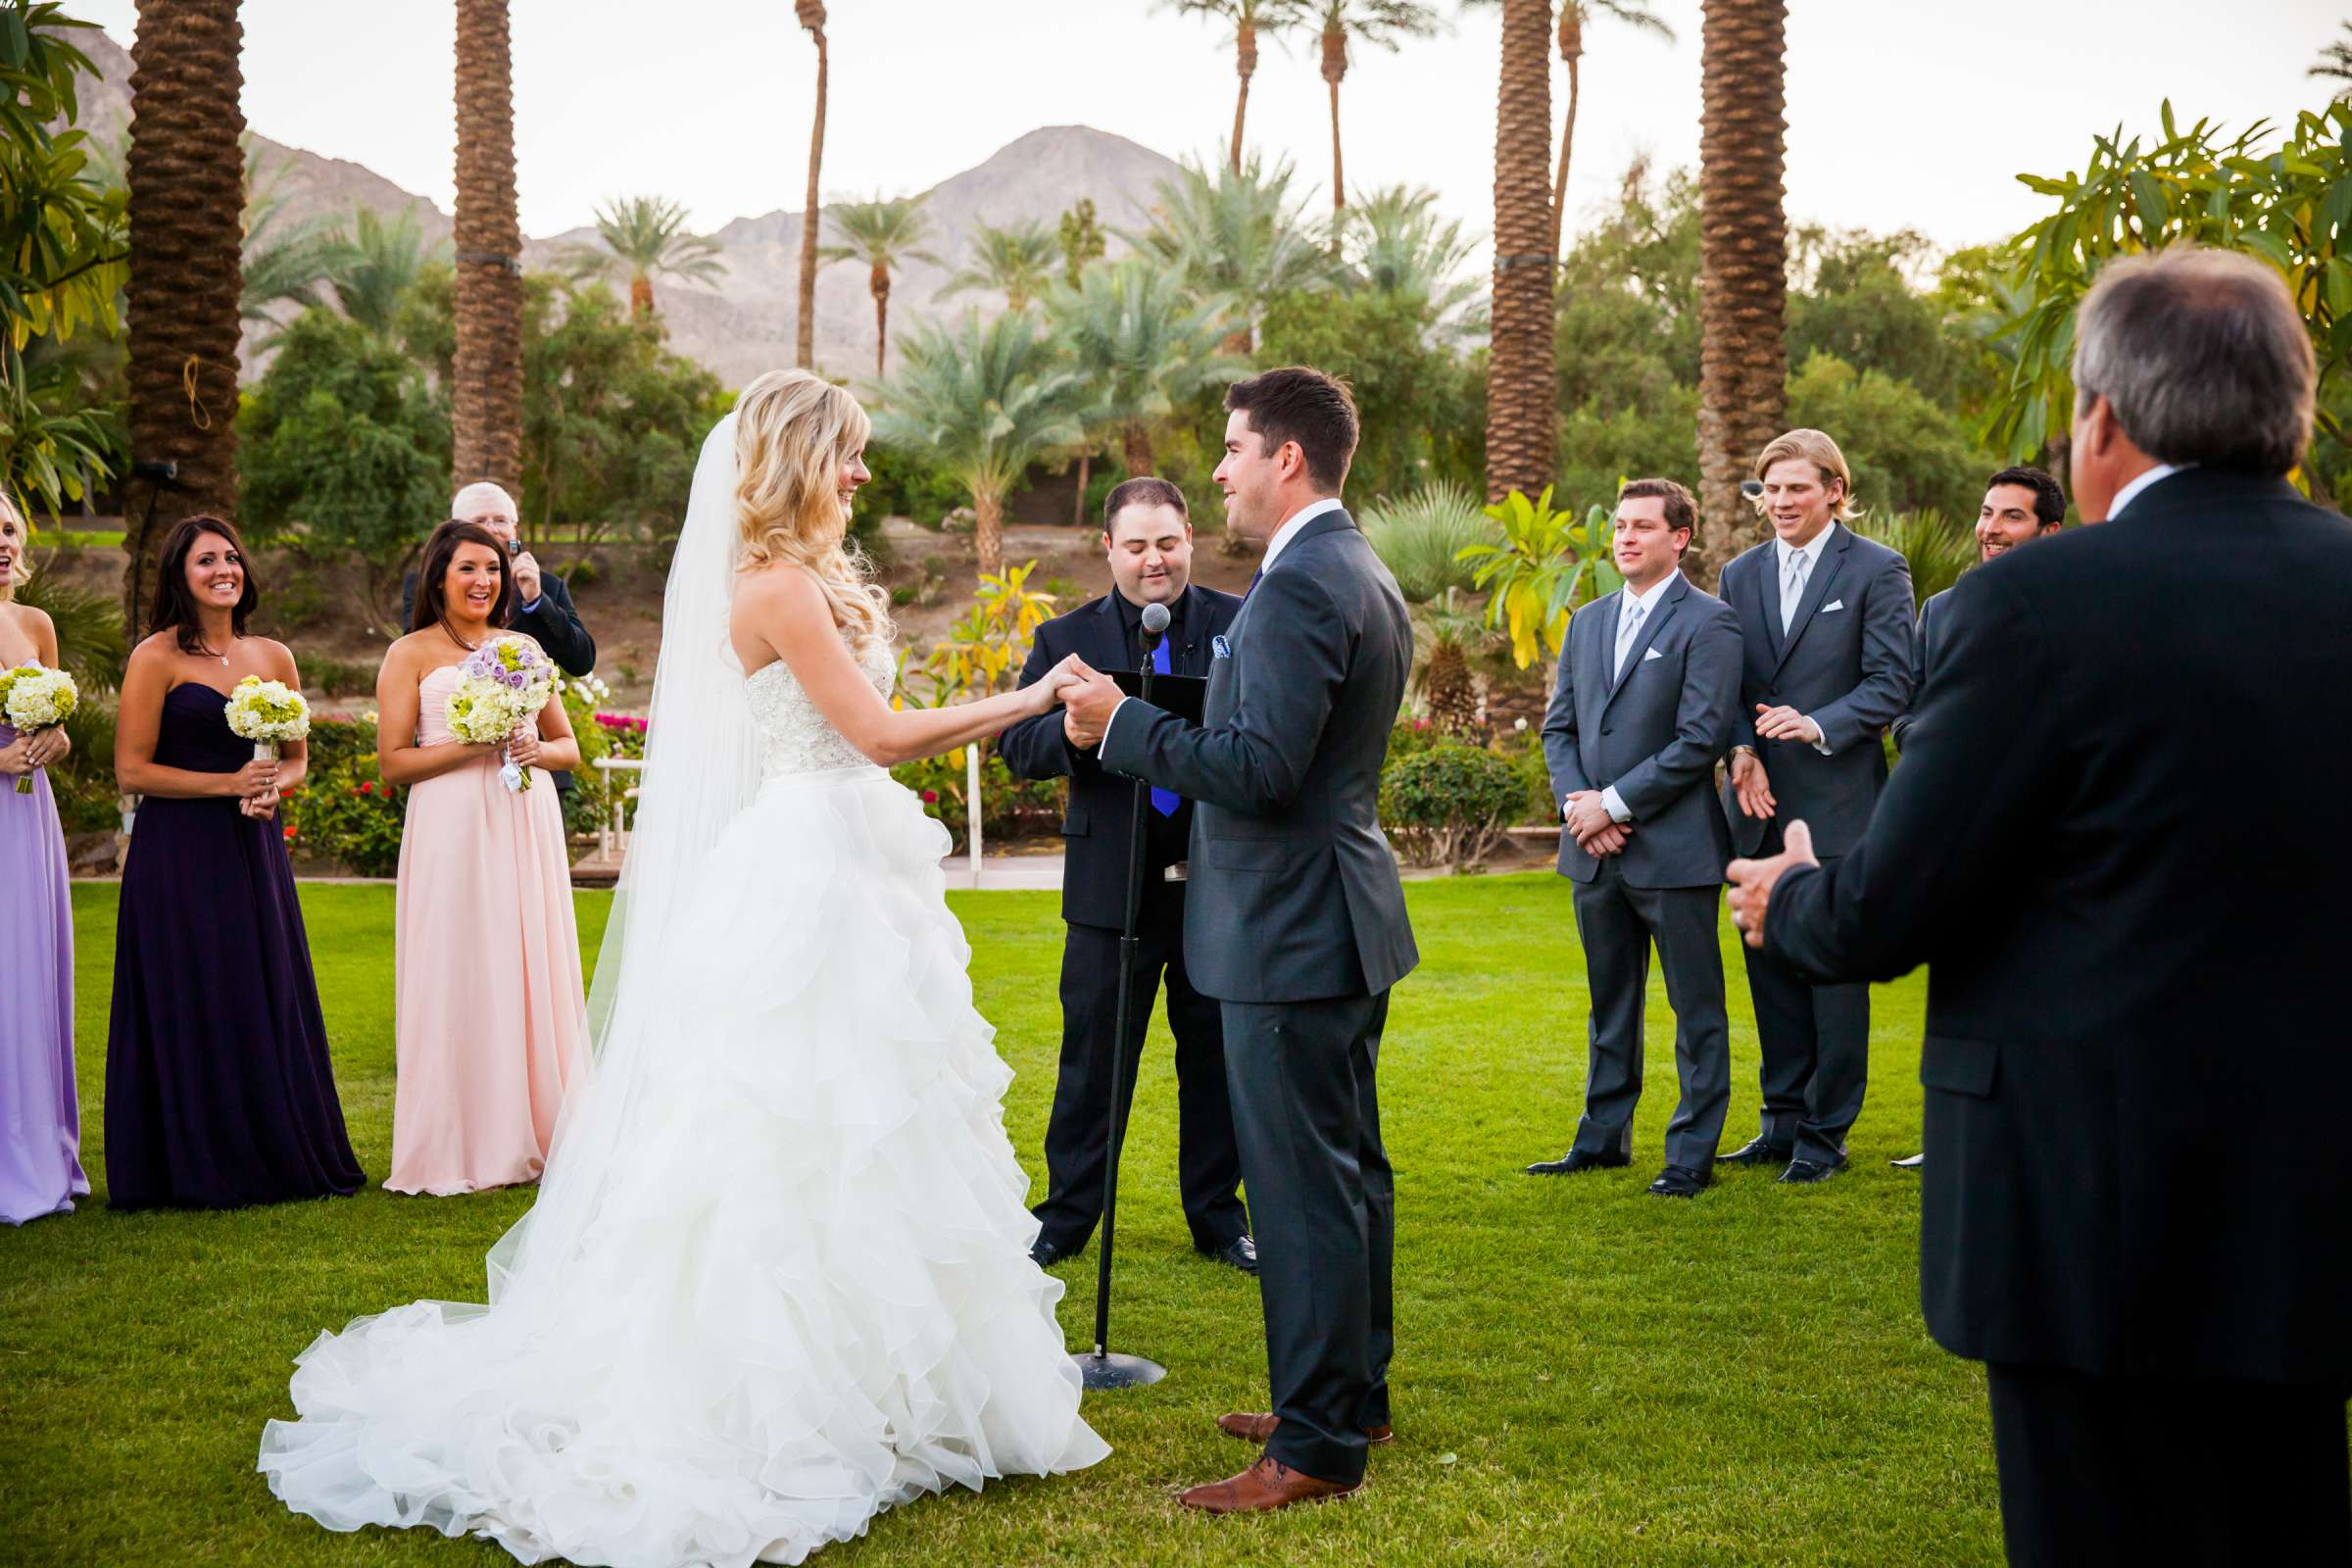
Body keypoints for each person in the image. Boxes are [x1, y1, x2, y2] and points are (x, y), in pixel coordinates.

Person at [261, 370, 1105, 1567]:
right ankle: (780, 1387)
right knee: (788, 1119)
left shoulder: (807, 577)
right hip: (811, 859)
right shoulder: (770, 587)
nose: (863, 473)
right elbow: (873, 734)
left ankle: (899, 1377)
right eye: (849, 454)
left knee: (872, 1113)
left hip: (857, 857)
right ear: (802, 461)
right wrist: (1030, 691)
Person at [1727, 247, 2350, 1567]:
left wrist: (1796, 897)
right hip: (2318, 1193)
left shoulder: (2032, 608)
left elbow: (1895, 901)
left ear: (2104, 423)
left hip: (2087, 1209)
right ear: (2289, 412)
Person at [1063, 367, 1417, 1514]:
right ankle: (1349, 1394)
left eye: (1229, 448)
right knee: (1350, 1173)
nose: (1217, 468)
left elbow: (1260, 770)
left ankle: (1314, 1444)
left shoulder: (1305, 582)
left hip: (1289, 928)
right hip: (1335, 914)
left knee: (1305, 1186)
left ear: (1286, 460)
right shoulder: (1351, 563)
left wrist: (1126, 727)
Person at [998, 477, 1254, 1275]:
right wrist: (1074, 735)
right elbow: (1016, 748)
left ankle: (1217, 1218)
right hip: (1111, 891)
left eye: (1168, 543)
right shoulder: (1064, 639)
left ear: (1191, 541)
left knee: (1213, 1064)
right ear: (1107, 548)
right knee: (1091, 1067)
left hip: (1216, 887)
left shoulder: (1239, 623)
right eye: (1137, 546)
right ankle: (1068, 1217)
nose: (1155, 561)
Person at [106, 516, 365, 1210]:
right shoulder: (154, 658)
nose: (224, 569)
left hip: (253, 852)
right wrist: (229, 786)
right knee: (192, 988)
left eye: (231, 557)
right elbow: (132, 768)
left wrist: (269, 789)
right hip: (177, 856)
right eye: (205, 560)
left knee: (260, 989)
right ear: (178, 576)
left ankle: (274, 1148)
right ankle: (192, 1159)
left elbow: (298, 760)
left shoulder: (274, 656)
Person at [1528, 478, 1741, 1198]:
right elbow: (1559, 727)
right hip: (1593, 852)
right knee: (1609, 1003)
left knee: (1696, 1009)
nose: (1625, 537)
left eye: (1642, 527)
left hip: (1675, 852)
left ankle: (1690, 1154)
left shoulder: (1710, 622)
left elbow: (1700, 737)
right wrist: (1578, 807)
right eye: (1620, 525)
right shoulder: (1586, 621)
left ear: (1679, 537)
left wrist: (1613, 805)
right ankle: (1601, 1139)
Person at [1713, 430, 1914, 1184]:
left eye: (1797, 487)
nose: (1781, 502)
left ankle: (1825, 1136)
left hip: (1838, 805)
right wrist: (1742, 752)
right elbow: (1727, 687)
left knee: (1832, 975)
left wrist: (1818, 722)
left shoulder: (1876, 569)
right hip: (1756, 805)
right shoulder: (1738, 574)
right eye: (1771, 489)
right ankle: (1781, 1121)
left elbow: (1894, 681)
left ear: (1835, 489)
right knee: (1770, 969)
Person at [376, 519, 589, 1196]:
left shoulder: (522, 647)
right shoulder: (408, 653)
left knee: (525, 958)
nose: (483, 582)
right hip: (450, 823)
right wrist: (477, 744)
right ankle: (461, 1135)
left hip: (523, 816)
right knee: (460, 962)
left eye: (493, 570)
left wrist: (531, 749)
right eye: (468, 569)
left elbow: (568, 748)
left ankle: (539, 1124)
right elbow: (394, 762)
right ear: (439, 575)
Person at [1888, 465, 2065, 1170]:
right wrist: (1936, 747)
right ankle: (1953, 1137)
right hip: (1964, 827)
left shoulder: (2087, 604)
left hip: (2055, 833)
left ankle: (2047, 1128)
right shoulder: (1941, 608)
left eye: (2010, 517)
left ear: (2050, 531)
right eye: (1986, 514)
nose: (1990, 528)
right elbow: (1908, 707)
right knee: (1964, 984)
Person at [0, 494, 87, 1225]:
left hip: (28, 814)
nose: (0, 542)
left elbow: (55, 725)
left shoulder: (37, 625)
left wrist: (52, 743)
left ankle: (37, 1149)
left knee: (29, 969)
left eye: (6, 528)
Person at [400, 482, 595, 676]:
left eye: (501, 520)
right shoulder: (428, 581)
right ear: (454, 531)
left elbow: (582, 662)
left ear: (514, 529)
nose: (491, 529)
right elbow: (412, 650)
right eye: (479, 521)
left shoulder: (548, 586)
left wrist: (537, 600)